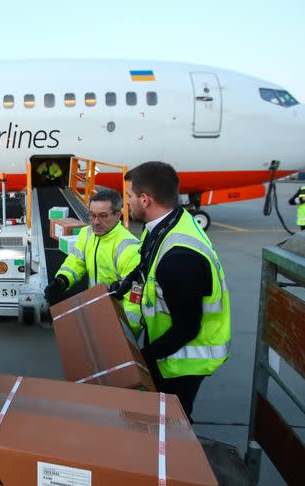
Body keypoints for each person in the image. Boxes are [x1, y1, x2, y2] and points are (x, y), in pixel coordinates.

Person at [111, 161, 230, 421]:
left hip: (184, 359)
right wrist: (123, 287)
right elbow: (145, 261)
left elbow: (187, 329)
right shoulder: (165, 225)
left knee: (173, 422)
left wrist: (143, 359)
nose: (126, 203)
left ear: (145, 200)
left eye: (129, 196)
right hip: (166, 344)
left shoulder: (179, 260)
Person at [43, 188, 143, 334]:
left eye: (103, 216)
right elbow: (76, 261)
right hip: (96, 307)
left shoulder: (128, 248)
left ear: (118, 215)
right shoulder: (87, 233)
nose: (96, 222)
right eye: (92, 215)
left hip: (118, 318)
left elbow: (134, 300)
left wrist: (126, 332)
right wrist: (62, 280)